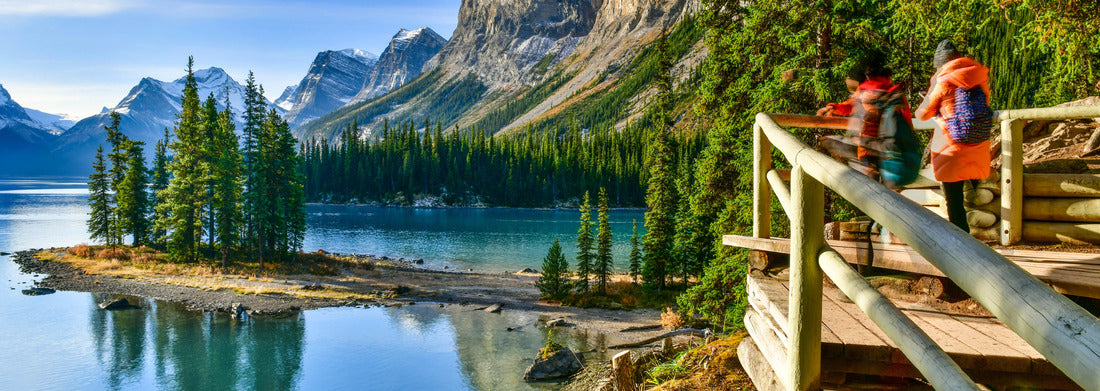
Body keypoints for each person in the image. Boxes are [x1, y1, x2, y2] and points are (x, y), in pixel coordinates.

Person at [915, 39, 992, 233]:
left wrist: (930, 98)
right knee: (977, 191)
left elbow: (923, 114)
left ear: (941, 63)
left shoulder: (944, 80)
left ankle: (961, 244)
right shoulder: (978, 77)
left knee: (954, 201)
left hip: (951, 145)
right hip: (977, 143)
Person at [818, 55, 913, 179]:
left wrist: (833, 107)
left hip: (871, 148)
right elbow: (906, 120)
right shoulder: (894, 92)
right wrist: (833, 107)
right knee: (884, 189)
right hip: (888, 150)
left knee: (873, 188)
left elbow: (851, 105)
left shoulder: (869, 91)